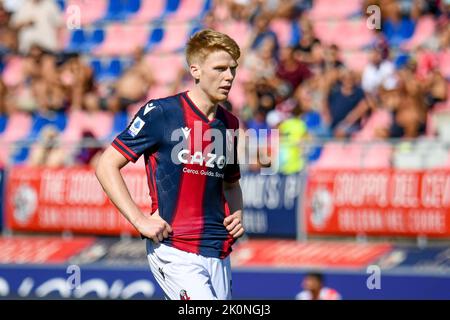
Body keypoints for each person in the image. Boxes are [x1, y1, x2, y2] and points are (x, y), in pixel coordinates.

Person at [95, 29, 245, 300]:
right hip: (174, 249)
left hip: (218, 251)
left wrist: (237, 213)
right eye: (220, 68)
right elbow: (106, 165)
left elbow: (231, 184)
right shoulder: (162, 113)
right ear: (195, 70)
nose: (229, 77)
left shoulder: (229, 124)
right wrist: (139, 220)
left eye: (233, 69)